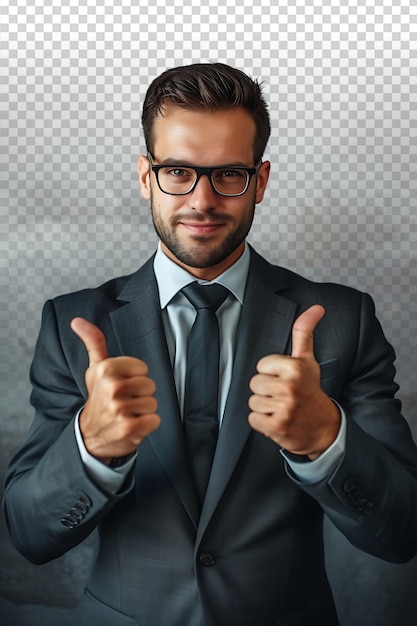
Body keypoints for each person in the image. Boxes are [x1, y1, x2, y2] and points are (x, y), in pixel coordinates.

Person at [3, 63, 417, 626]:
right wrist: (90, 450)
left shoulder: (345, 320)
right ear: (146, 176)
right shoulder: (73, 324)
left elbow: (402, 534)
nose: (202, 200)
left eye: (229, 175)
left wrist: (326, 440)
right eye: (178, 171)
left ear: (261, 181)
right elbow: (28, 536)